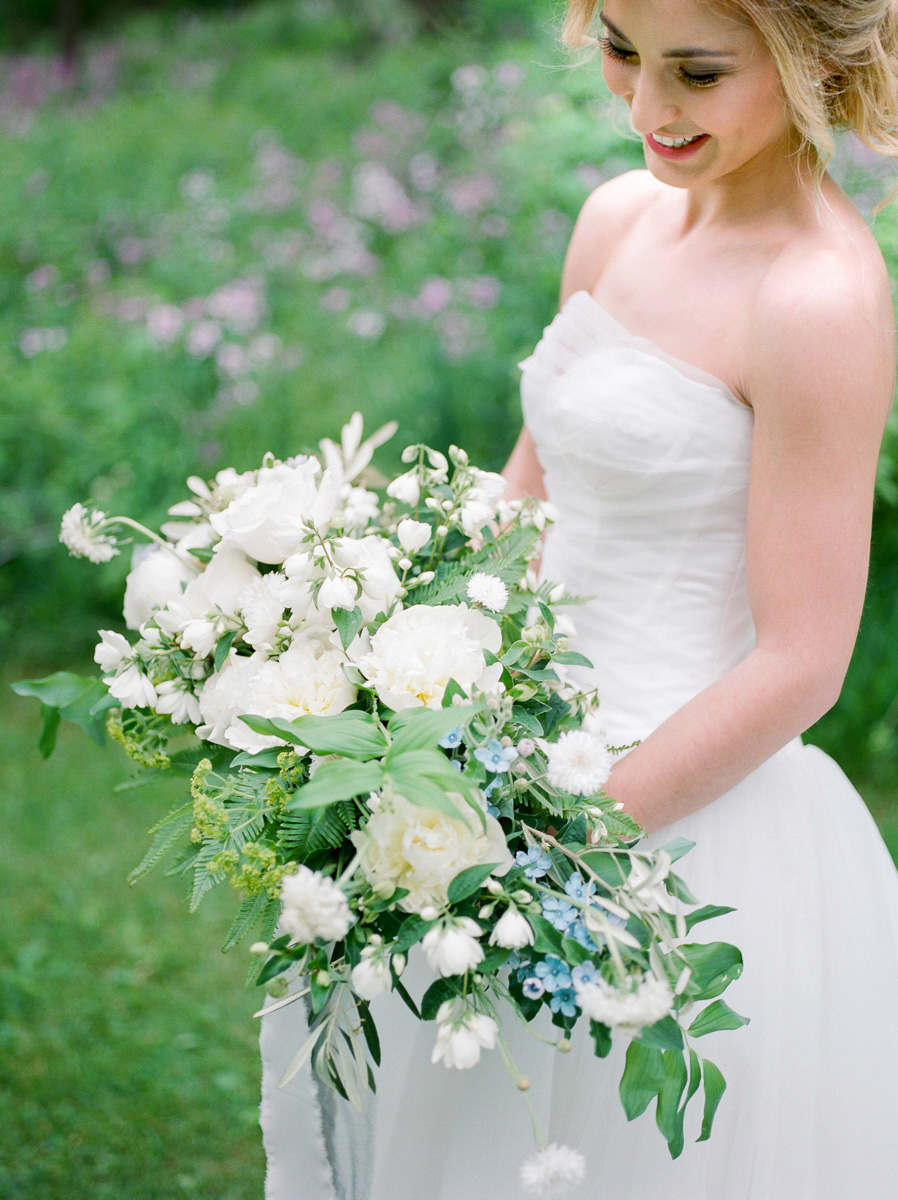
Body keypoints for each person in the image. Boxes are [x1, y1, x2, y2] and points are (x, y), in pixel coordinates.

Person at [260, 0, 898, 1195]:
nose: (648, 108)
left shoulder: (817, 301)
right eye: (620, 52)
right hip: (493, 750)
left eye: (696, 74)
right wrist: (379, 660)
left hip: (670, 815)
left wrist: (560, 845)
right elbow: (535, 479)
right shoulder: (617, 219)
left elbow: (803, 658)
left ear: (809, 62)